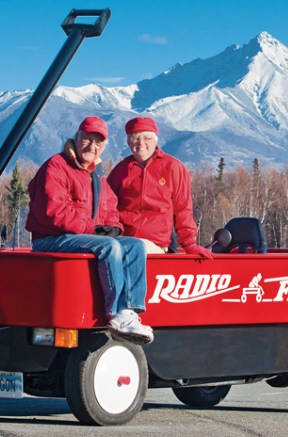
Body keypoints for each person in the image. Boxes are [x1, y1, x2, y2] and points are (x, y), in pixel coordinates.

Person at [25, 116, 153, 344]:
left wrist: (113, 227)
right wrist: (95, 229)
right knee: (110, 246)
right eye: (87, 140)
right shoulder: (56, 166)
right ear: (77, 138)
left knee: (134, 245)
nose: (91, 147)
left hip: (83, 237)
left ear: (103, 147)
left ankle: (129, 312)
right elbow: (54, 211)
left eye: (98, 143)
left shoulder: (96, 176)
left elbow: (111, 209)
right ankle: (114, 313)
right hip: (51, 239)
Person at [107, 116, 213, 258]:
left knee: (135, 250)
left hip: (154, 245)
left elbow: (183, 209)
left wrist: (189, 244)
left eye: (147, 138)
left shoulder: (172, 168)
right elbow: (107, 207)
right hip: (122, 240)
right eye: (135, 138)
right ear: (128, 141)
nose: (141, 143)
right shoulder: (120, 170)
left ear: (155, 140)